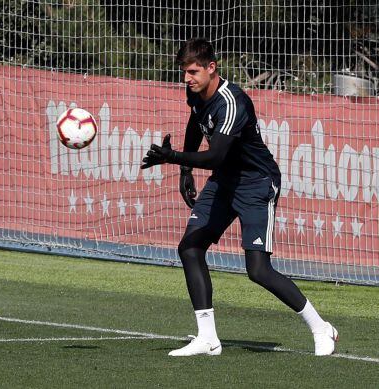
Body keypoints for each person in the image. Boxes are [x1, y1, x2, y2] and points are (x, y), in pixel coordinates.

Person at [141, 38, 337, 356]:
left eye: (192, 71)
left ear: (211, 68)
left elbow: (216, 155)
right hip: (224, 182)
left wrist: (175, 157)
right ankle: (208, 339)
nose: (187, 78)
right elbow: (195, 122)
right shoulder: (195, 92)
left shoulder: (233, 102)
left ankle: (321, 327)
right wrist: (186, 172)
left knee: (258, 270)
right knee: (189, 248)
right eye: (184, 72)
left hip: (256, 183)